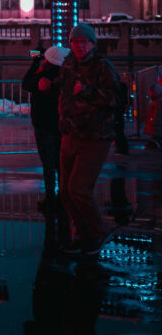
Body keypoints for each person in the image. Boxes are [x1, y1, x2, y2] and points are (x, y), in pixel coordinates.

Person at [57, 23, 121, 257]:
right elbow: (64, 92)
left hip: (95, 135)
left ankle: (96, 233)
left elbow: (115, 98)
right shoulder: (68, 65)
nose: (79, 46)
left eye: (84, 42)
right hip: (70, 134)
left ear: (92, 43)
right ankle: (83, 236)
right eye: (75, 42)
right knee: (65, 190)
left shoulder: (102, 66)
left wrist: (86, 91)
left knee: (79, 188)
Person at [21, 45, 69, 212]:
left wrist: (35, 64)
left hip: (44, 126)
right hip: (61, 126)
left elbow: (26, 83)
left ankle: (51, 199)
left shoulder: (44, 76)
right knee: (60, 164)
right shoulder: (66, 76)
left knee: (48, 165)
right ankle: (63, 197)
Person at [145, 84, 162, 148]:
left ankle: (154, 144)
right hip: (157, 122)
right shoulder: (157, 101)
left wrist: (153, 121)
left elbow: (157, 113)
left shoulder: (157, 102)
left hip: (157, 123)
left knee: (156, 133)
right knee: (156, 134)